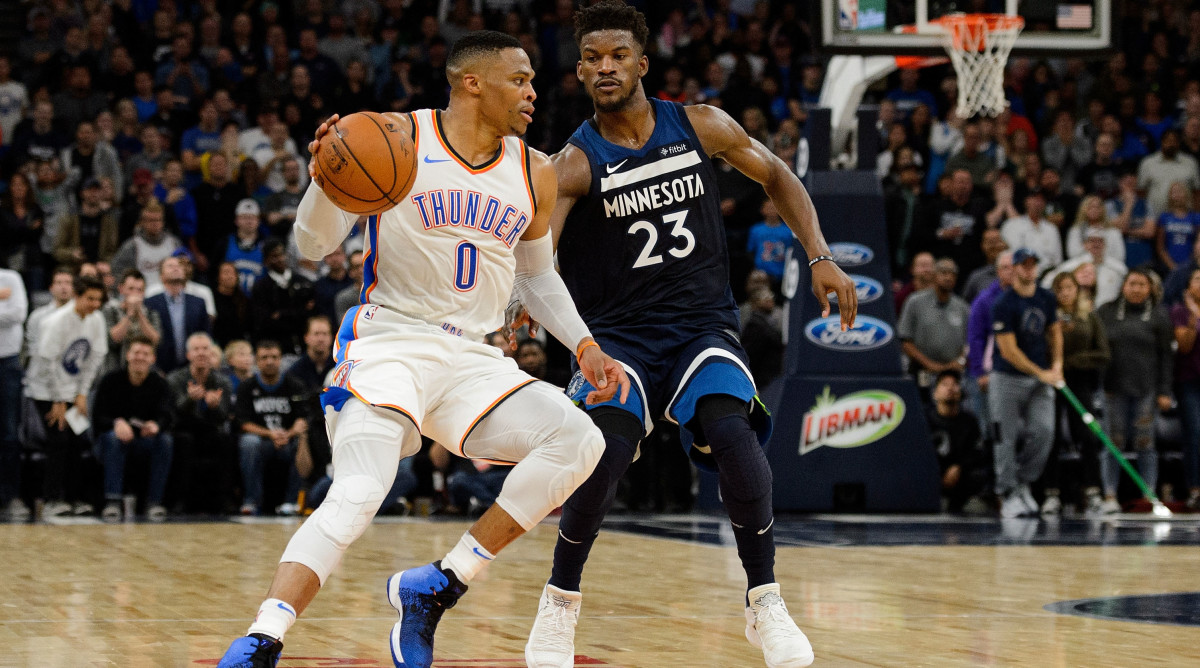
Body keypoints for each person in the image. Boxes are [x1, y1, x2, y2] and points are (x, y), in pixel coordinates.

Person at [216, 31, 629, 668]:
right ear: (473, 83)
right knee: (359, 493)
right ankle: (262, 638)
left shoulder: (535, 169)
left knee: (580, 441)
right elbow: (312, 246)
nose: (533, 92)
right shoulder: (396, 139)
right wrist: (324, 180)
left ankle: (439, 583)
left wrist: (584, 344)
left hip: (473, 358)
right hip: (391, 341)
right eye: (519, 79)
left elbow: (537, 276)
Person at [521, 5, 855, 667]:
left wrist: (819, 255)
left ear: (643, 63)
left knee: (732, 433)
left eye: (618, 55)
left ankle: (765, 600)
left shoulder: (701, 125)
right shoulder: (574, 165)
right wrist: (514, 305)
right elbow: (537, 261)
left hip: (702, 328)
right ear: (580, 71)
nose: (605, 67)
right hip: (619, 337)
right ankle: (559, 602)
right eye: (592, 58)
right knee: (603, 455)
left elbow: (777, 175)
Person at [23, 275, 108, 518]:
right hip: (45, 390)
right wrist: (58, 400)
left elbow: (95, 358)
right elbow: (47, 362)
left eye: (98, 300)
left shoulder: (96, 319)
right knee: (58, 440)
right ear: (77, 296)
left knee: (77, 441)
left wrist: (82, 393)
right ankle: (52, 499)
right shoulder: (56, 321)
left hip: (72, 390)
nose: (95, 304)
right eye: (90, 299)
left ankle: (74, 498)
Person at [989, 248, 1062, 519]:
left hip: (1040, 378)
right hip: (1007, 377)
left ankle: (1023, 481)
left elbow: (1054, 332)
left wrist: (1057, 365)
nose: (1029, 269)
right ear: (1015, 268)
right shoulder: (1003, 304)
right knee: (1004, 437)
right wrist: (1040, 373)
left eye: (1033, 264)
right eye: (1024, 264)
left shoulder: (1046, 298)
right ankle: (1007, 493)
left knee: (1045, 431)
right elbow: (1008, 351)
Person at [1096, 269, 1174, 514]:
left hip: (1146, 388)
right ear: (1123, 286)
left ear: (1150, 289)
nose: (1137, 289)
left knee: (1145, 443)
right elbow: (1097, 348)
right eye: (1132, 284)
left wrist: (1165, 390)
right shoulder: (1106, 312)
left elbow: (1166, 356)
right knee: (1113, 443)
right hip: (1112, 388)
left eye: (1142, 285)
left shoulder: (1159, 316)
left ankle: (1148, 494)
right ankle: (1110, 495)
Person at [1045, 271, 1110, 516]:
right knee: (1050, 436)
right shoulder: (1048, 316)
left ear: (1077, 290)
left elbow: (1103, 354)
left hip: (1080, 381)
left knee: (1087, 435)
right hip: (1051, 382)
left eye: (1069, 287)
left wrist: (1074, 361)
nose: (1065, 293)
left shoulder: (1089, 317)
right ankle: (1051, 493)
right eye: (1060, 288)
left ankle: (1092, 490)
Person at [92, 335, 174, 522]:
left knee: (165, 441)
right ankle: (113, 502)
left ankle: (154, 502)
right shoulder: (110, 380)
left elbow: (168, 415)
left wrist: (156, 425)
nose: (140, 357)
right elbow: (98, 417)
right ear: (128, 355)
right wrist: (116, 423)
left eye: (146, 354)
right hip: (111, 441)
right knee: (113, 438)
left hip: (144, 441)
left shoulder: (160, 384)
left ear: (153, 359)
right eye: (136, 352)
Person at [167, 331, 234, 514]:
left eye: (205, 349)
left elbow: (224, 416)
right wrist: (190, 400)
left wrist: (215, 407)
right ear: (189, 355)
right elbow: (173, 415)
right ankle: (180, 500)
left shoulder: (222, 381)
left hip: (210, 429)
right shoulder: (175, 379)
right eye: (196, 349)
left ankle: (223, 500)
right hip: (183, 429)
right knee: (184, 441)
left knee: (225, 440)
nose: (201, 353)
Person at [898, 258, 968, 397]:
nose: (948, 277)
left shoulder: (962, 307)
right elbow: (905, 341)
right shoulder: (915, 302)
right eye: (944, 273)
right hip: (921, 370)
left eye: (952, 274)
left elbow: (969, 342)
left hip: (953, 374)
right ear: (934, 275)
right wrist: (930, 364)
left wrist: (959, 361)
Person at [965, 250, 1014, 440]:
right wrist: (979, 372)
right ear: (998, 271)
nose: (1010, 271)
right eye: (1005, 267)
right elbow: (975, 337)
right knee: (988, 426)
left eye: (1013, 267)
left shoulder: (1027, 296)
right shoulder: (984, 300)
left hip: (1016, 371)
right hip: (990, 371)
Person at [926, 370, 989, 513]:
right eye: (944, 384)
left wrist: (959, 467)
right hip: (932, 473)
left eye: (955, 384)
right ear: (935, 393)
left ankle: (956, 504)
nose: (950, 388)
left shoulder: (969, 421)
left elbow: (977, 452)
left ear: (960, 392)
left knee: (979, 475)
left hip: (959, 474)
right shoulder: (925, 419)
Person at [145, 256, 211, 372]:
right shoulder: (150, 303)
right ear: (161, 276)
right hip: (159, 367)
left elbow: (205, 333)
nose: (175, 268)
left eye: (179, 266)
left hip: (191, 367)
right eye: (170, 266)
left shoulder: (198, 302)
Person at [1170, 267, 1200, 511]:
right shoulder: (1179, 311)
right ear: (1188, 286)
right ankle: (1195, 489)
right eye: (1198, 279)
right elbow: (1185, 346)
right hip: (1190, 381)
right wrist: (1194, 315)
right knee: (1195, 434)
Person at [0, 268, 28, 521]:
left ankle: (10, 496)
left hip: (7, 362)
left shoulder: (10, 278)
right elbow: (8, 316)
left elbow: (18, 314)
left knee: (9, 432)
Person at [101, 269, 162, 376]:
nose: (135, 293)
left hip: (144, 371)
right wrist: (129, 314)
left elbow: (155, 340)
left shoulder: (151, 313)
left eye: (139, 290)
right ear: (121, 289)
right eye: (131, 288)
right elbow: (113, 339)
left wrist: (140, 314)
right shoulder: (110, 311)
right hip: (114, 370)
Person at [1000, 189, 1062, 278]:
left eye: (1041, 199)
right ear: (1026, 201)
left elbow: (1058, 260)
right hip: (1021, 274)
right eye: (1034, 198)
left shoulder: (1052, 229)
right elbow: (1011, 256)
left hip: (1049, 275)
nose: (1038, 202)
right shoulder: (1012, 225)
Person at [1155, 181, 1200, 272]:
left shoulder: (1195, 217)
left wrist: (1189, 264)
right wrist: (1172, 267)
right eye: (1174, 192)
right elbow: (1160, 246)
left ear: (1186, 194)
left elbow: (1197, 242)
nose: (1177, 195)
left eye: (1180, 191)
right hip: (1168, 265)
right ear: (1169, 196)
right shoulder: (1164, 217)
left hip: (1190, 264)